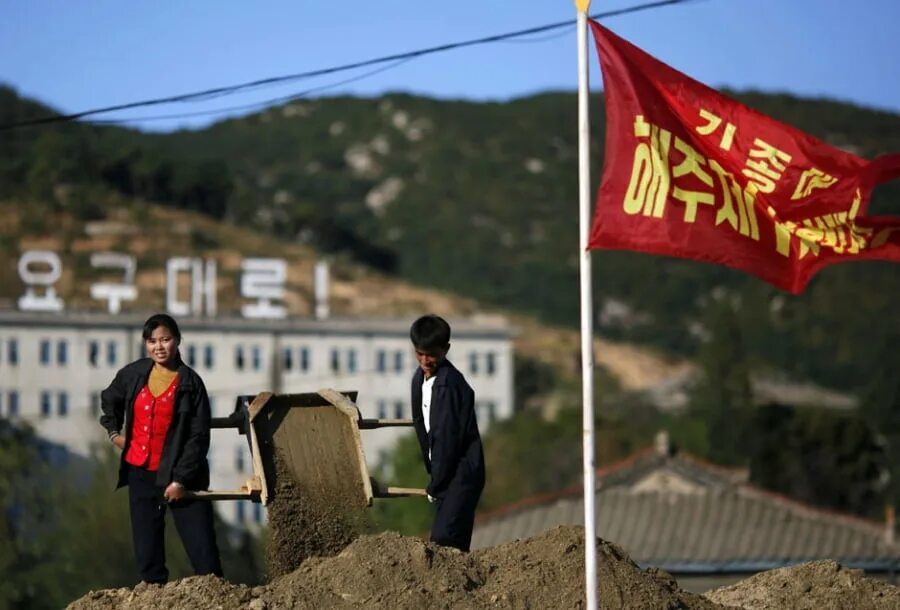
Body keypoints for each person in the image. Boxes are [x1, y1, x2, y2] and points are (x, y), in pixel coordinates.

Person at [100, 313, 222, 583]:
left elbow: (198, 436)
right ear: (145, 343)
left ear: (177, 341)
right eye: (152, 341)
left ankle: (217, 595)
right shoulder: (134, 374)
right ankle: (153, 595)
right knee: (147, 547)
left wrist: (180, 479)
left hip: (181, 475)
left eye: (165, 339)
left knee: (202, 547)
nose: (159, 346)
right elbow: (109, 399)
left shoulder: (191, 383)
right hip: (140, 471)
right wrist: (114, 433)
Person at [410, 314, 485, 552]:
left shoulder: (449, 385)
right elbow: (424, 429)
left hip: (460, 474)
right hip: (444, 474)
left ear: (446, 349)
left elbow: (446, 440)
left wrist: (438, 484)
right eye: (420, 353)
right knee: (453, 546)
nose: (425, 360)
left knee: (444, 540)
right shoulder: (419, 379)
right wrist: (435, 477)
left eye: (431, 354)